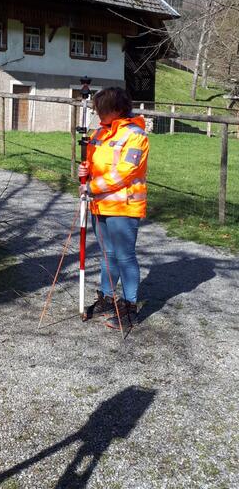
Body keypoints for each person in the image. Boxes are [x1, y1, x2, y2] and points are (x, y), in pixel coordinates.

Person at [78, 87, 149, 330]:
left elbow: (126, 172)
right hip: (100, 204)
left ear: (117, 110)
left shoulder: (135, 135)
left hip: (124, 206)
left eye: (102, 110)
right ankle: (107, 297)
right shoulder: (100, 133)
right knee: (108, 254)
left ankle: (130, 307)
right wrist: (84, 172)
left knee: (124, 256)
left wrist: (93, 186)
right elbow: (92, 161)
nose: (98, 114)